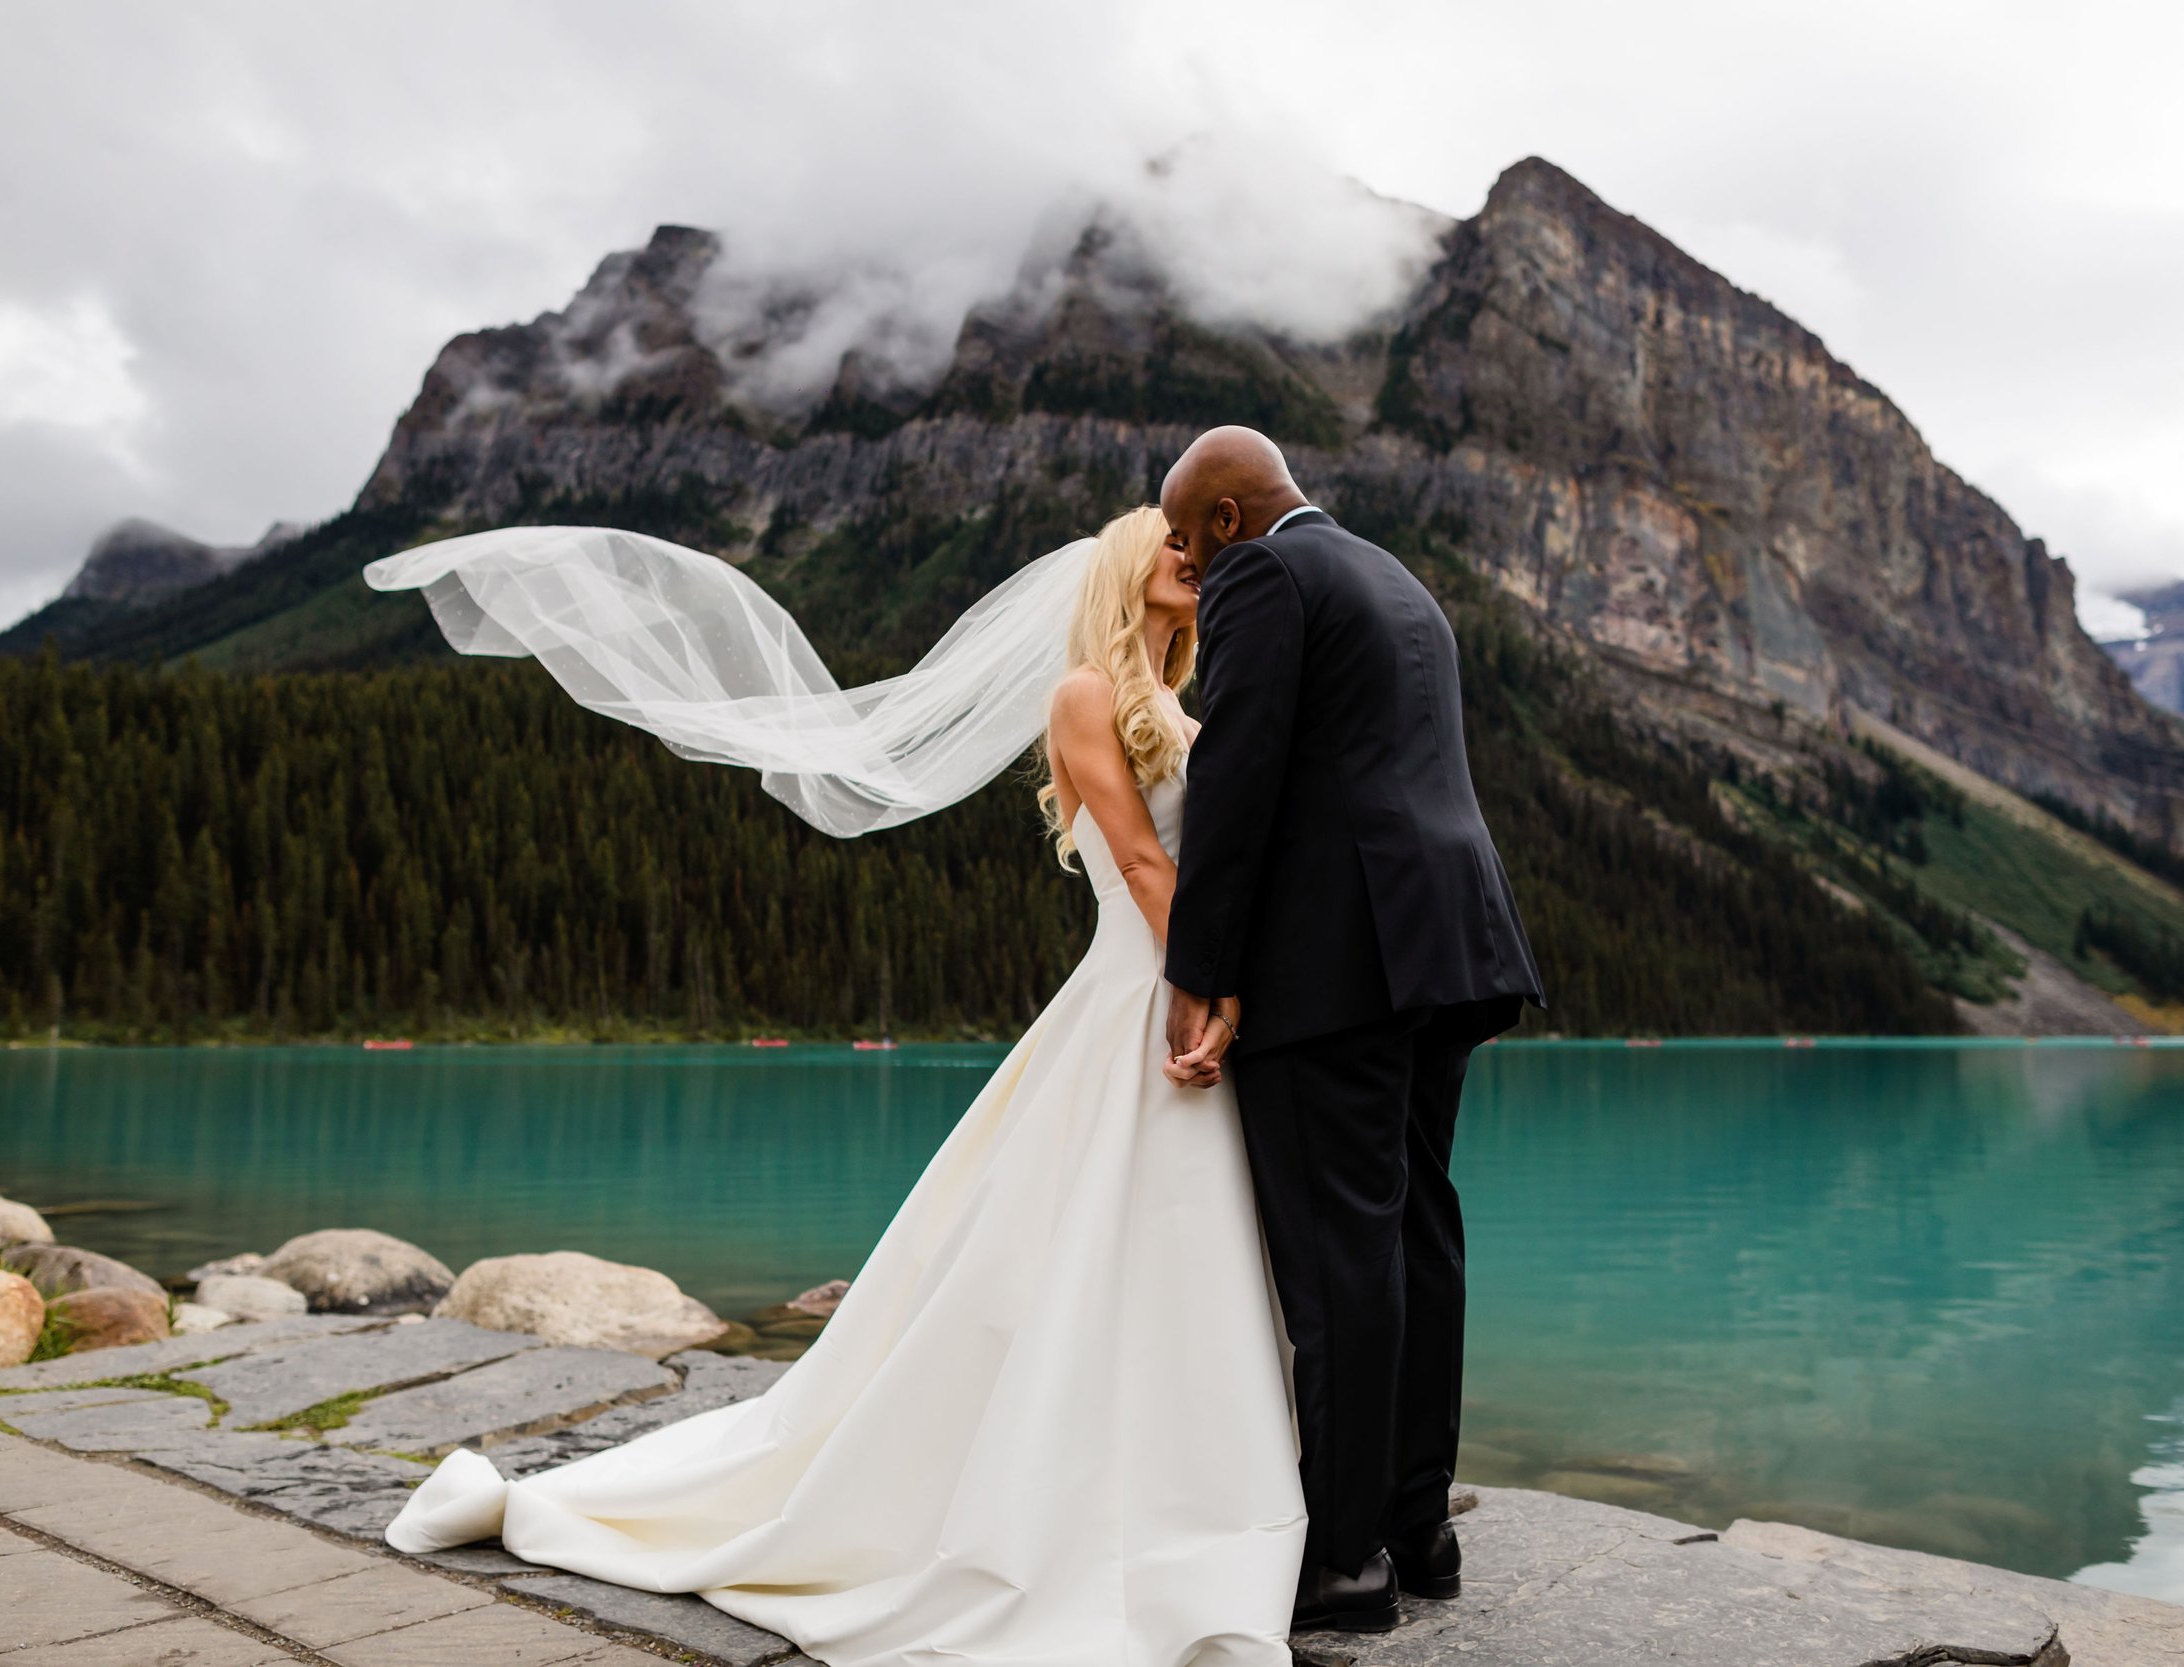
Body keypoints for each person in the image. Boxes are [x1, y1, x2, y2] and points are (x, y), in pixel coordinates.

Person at [374, 506, 1305, 1667]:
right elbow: (1141, 859)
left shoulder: (1180, 704)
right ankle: (1066, 1513)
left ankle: (1181, 1494)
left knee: (1169, 1255)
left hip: (1169, 988)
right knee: (1090, 1250)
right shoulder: (1082, 693)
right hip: (1143, 991)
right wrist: (1212, 987)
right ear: (1124, 568)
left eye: (1194, 543)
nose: (1190, 555)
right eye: (1169, 541)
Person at [1160, 427, 1544, 1632]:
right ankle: (1417, 1525)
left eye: (1182, 534)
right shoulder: (1396, 577)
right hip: (1447, 942)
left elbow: (1238, 770)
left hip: (1339, 953)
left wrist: (1203, 968)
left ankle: (1342, 1561)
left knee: (1339, 1256)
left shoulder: (1264, 574)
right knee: (1418, 1223)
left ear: (1225, 518)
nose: (1178, 556)